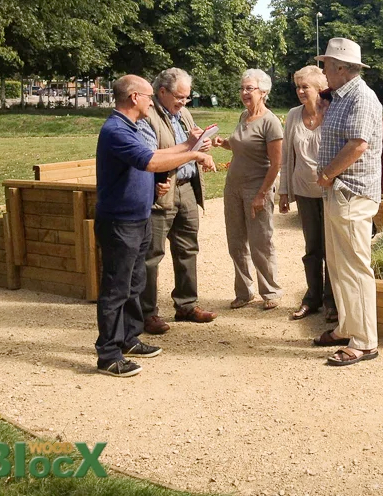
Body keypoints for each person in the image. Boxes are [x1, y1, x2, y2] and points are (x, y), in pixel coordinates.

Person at [94, 75, 215, 378]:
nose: (151, 101)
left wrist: (189, 143)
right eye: (148, 96)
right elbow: (149, 162)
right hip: (119, 221)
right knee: (116, 288)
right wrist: (195, 153)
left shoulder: (131, 128)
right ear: (134, 98)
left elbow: (157, 155)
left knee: (135, 284)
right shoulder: (116, 130)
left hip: (138, 217)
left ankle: (128, 338)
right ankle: (108, 354)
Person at [312, 38, 383, 367]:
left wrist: (327, 174)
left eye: (326, 64)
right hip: (339, 192)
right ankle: (347, 328)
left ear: (342, 68)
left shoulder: (362, 97)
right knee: (339, 267)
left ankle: (365, 342)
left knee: (354, 268)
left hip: (351, 192)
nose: (322, 69)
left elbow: (357, 145)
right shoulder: (342, 97)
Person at [137, 68, 217, 335]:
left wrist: (200, 147)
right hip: (162, 191)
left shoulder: (182, 114)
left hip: (187, 190)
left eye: (187, 97)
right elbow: (150, 156)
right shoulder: (147, 116)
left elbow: (189, 146)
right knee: (152, 255)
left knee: (187, 249)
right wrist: (190, 152)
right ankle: (147, 313)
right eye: (180, 97)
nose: (184, 102)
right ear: (162, 92)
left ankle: (186, 304)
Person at [213, 69, 284, 310]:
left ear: (263, 92)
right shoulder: (244, 116)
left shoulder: (271, 122)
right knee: (235, 242)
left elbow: (276, 164)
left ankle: (271, 291)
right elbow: (240, 146)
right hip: (233, 186)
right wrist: (223, 143)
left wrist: (262, 194)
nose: (244, 93)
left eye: (249, 89)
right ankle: (244, 292)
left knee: (260, 242)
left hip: (257, 187)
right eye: (242, 88)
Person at [279, 65, 335, 322]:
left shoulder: (332, 110)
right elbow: (287, 155)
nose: (300, 91)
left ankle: (332, 302)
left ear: (319, 88)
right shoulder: (292, 115)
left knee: (332, 249)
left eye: (305, 86)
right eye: (298, 86)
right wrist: (284, 192)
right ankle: (312, 298)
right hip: (304, 190)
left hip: (331, 192)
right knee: (312, 248)